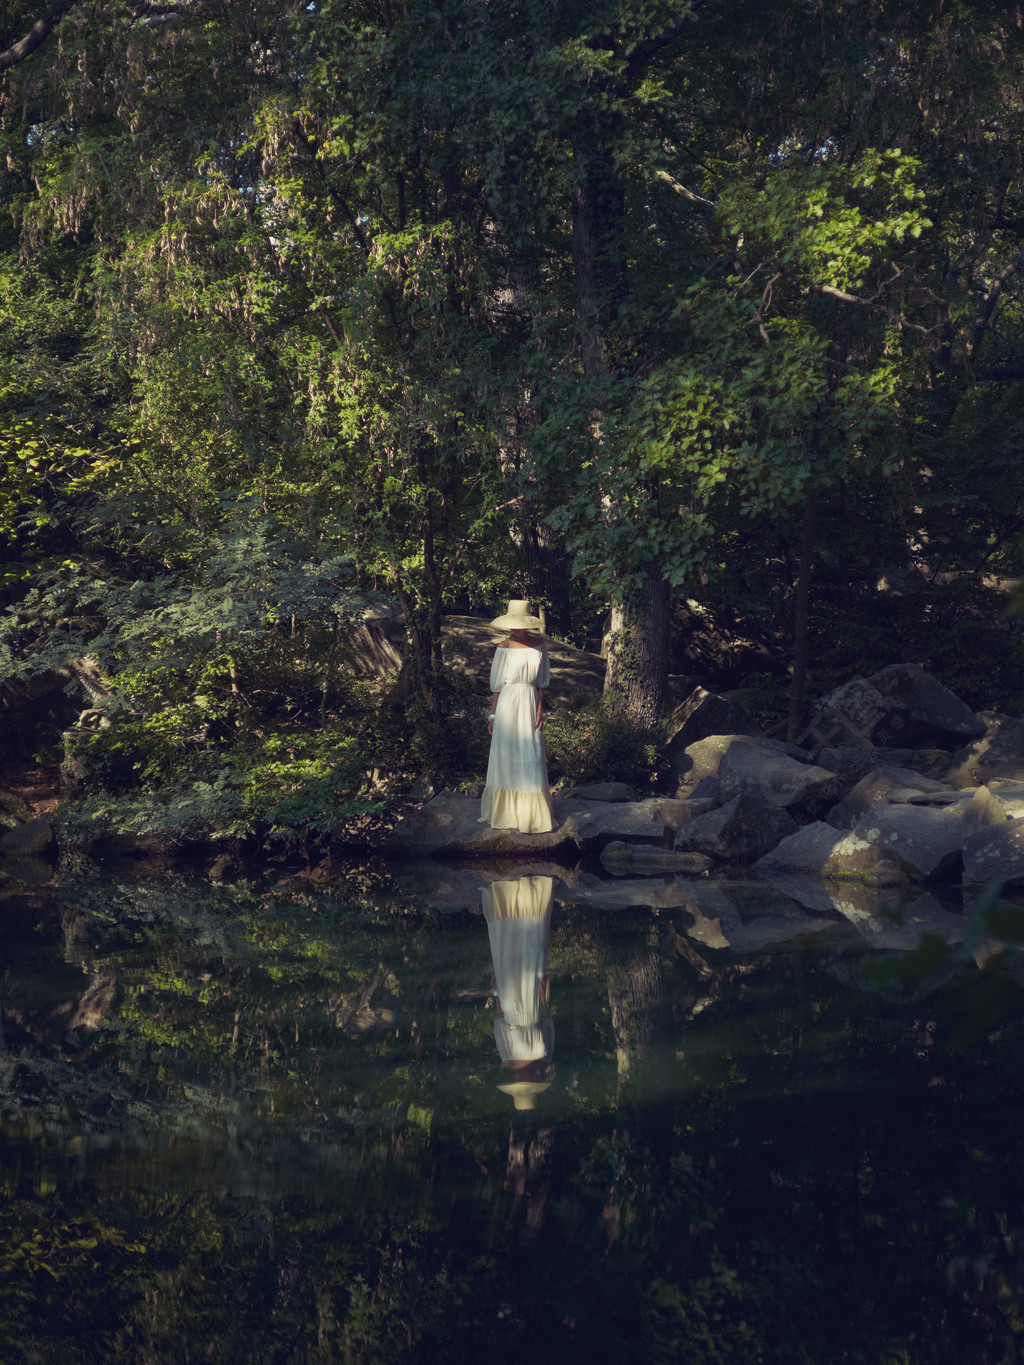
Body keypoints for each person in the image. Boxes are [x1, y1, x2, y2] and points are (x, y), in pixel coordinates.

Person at [478, 599, 554, 834]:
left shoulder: (540, 645)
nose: (516, 629)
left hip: (530, 701)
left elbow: (542, 683)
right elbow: (497, 686)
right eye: (513, 624)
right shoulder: (503, 646)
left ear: (528, 624)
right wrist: (492, 716)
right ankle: (506, 814)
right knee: (507, 756)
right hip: (508, 706)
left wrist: (540, 710)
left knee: (531, 755)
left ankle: (531, 817)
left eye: (520, 624)